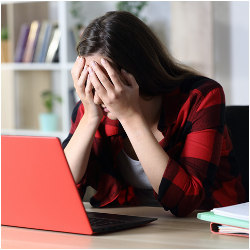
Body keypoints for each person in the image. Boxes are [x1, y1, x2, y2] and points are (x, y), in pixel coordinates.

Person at [62, 11, 246, 217]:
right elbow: (59, 192)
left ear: (136, 73)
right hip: (137, 225)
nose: (97, 95)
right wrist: (89, 118)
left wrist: (130, 117)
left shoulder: (200, 96)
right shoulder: (91, 108)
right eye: (89, 80)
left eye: (105, 82)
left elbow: (187, 201)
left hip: (208, 226)